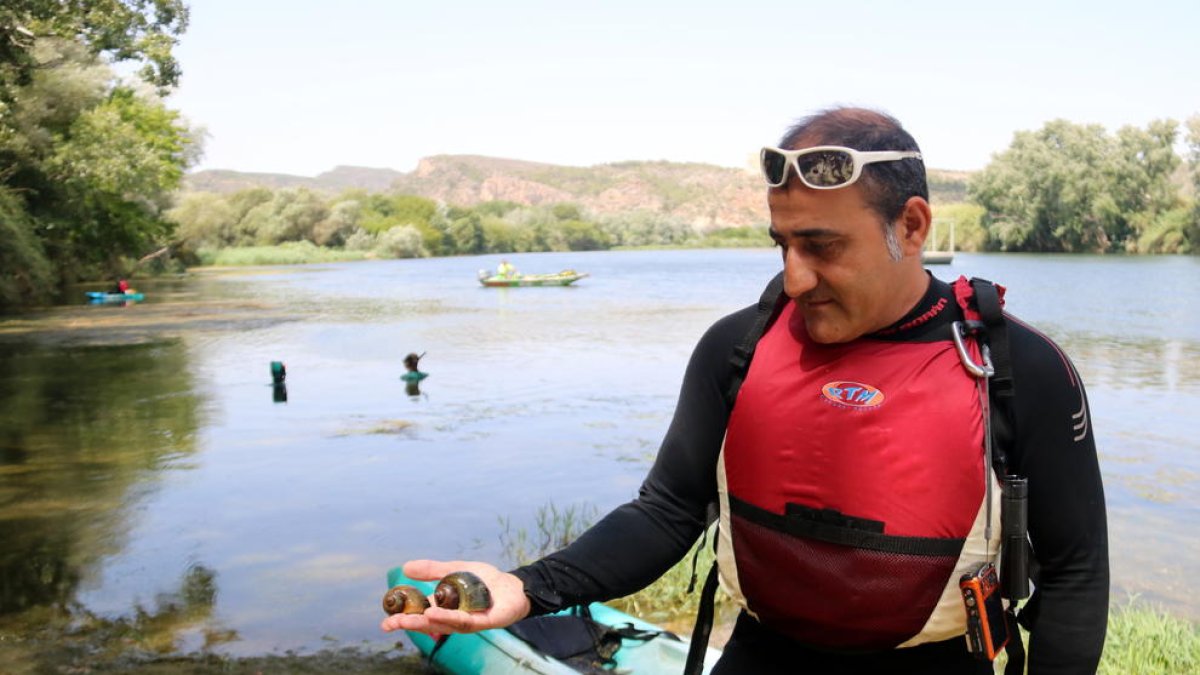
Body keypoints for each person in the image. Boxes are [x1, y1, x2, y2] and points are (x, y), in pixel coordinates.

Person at [381, 107, 1109, 674]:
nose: (793, 277)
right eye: (781, 244)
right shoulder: (737, 347)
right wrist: (529, 586)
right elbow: (667, 511)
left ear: (911, 225)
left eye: (821, 246)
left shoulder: (1015, 366)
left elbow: (1073, 573)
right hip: (762, 656)